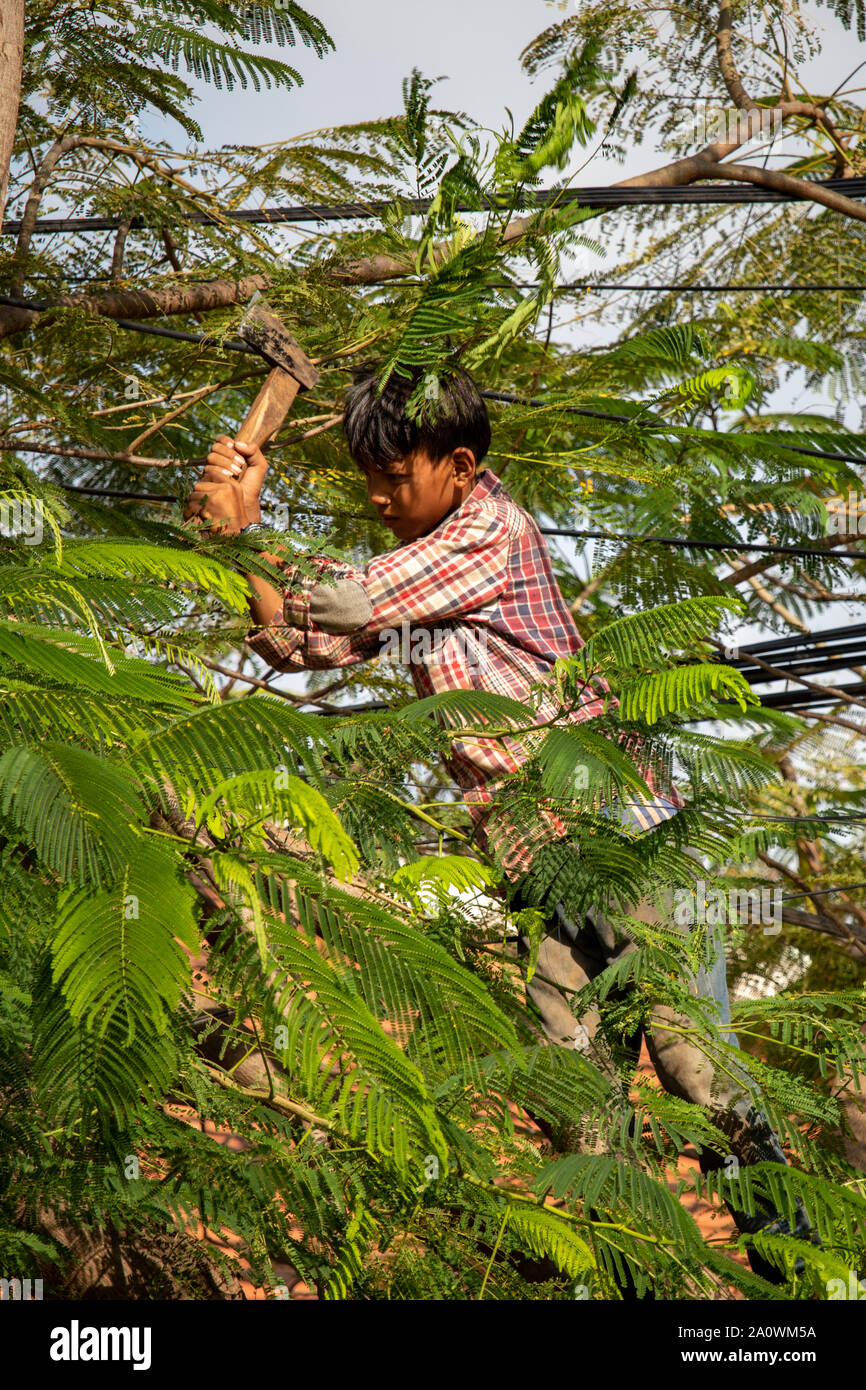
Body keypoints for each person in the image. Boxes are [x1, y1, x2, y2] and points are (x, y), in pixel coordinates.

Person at [186, 365, 814, 1282]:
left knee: (697, 1072)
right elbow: (301, 644)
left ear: (461, 464)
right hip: (538, 869)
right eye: (372, 474)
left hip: (623, 841)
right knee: (580, 1105)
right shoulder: (419, 569)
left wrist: (255, 523)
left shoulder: (490, 527)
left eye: (395, 476)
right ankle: (635, 1271)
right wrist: (234, 543)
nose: (376, 495)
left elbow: (348, 603)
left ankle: (797, 1264)